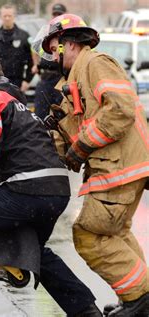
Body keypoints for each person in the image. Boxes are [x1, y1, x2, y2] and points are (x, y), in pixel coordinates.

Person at [0, 52, 102, 317]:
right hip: (56, 191)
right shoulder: (14, 101)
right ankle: (85, 310)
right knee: (34, 251)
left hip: (28, 187)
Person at [41, 13, 149, 316]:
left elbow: (120, 109)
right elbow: (66, 137)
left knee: (90, 235)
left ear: (68, 43)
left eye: (53, 48)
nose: (51, 55)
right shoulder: (74, 78)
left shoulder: (95, 63)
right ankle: (138, 297)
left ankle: (140, 300)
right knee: (114, 234)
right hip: (117, 165)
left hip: (119, 165)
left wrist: (82, 145)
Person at [0, 4, 34, 93]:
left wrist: (27, 80)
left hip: (17, 82)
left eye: (9, 16)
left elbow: (32, 61)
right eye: (5, 16)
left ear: (14, 16)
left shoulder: (23, 36)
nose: (7, 18)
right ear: (0, 17)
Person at [32, 3, 67, 120]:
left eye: (59, 14)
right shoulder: (46, 30)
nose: (56, 16)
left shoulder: (68, 31)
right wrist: (35, 64)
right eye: (55, 14)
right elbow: (34, 46)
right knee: (40, 115)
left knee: (62, 115)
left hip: (60, 77)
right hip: (45, 77)